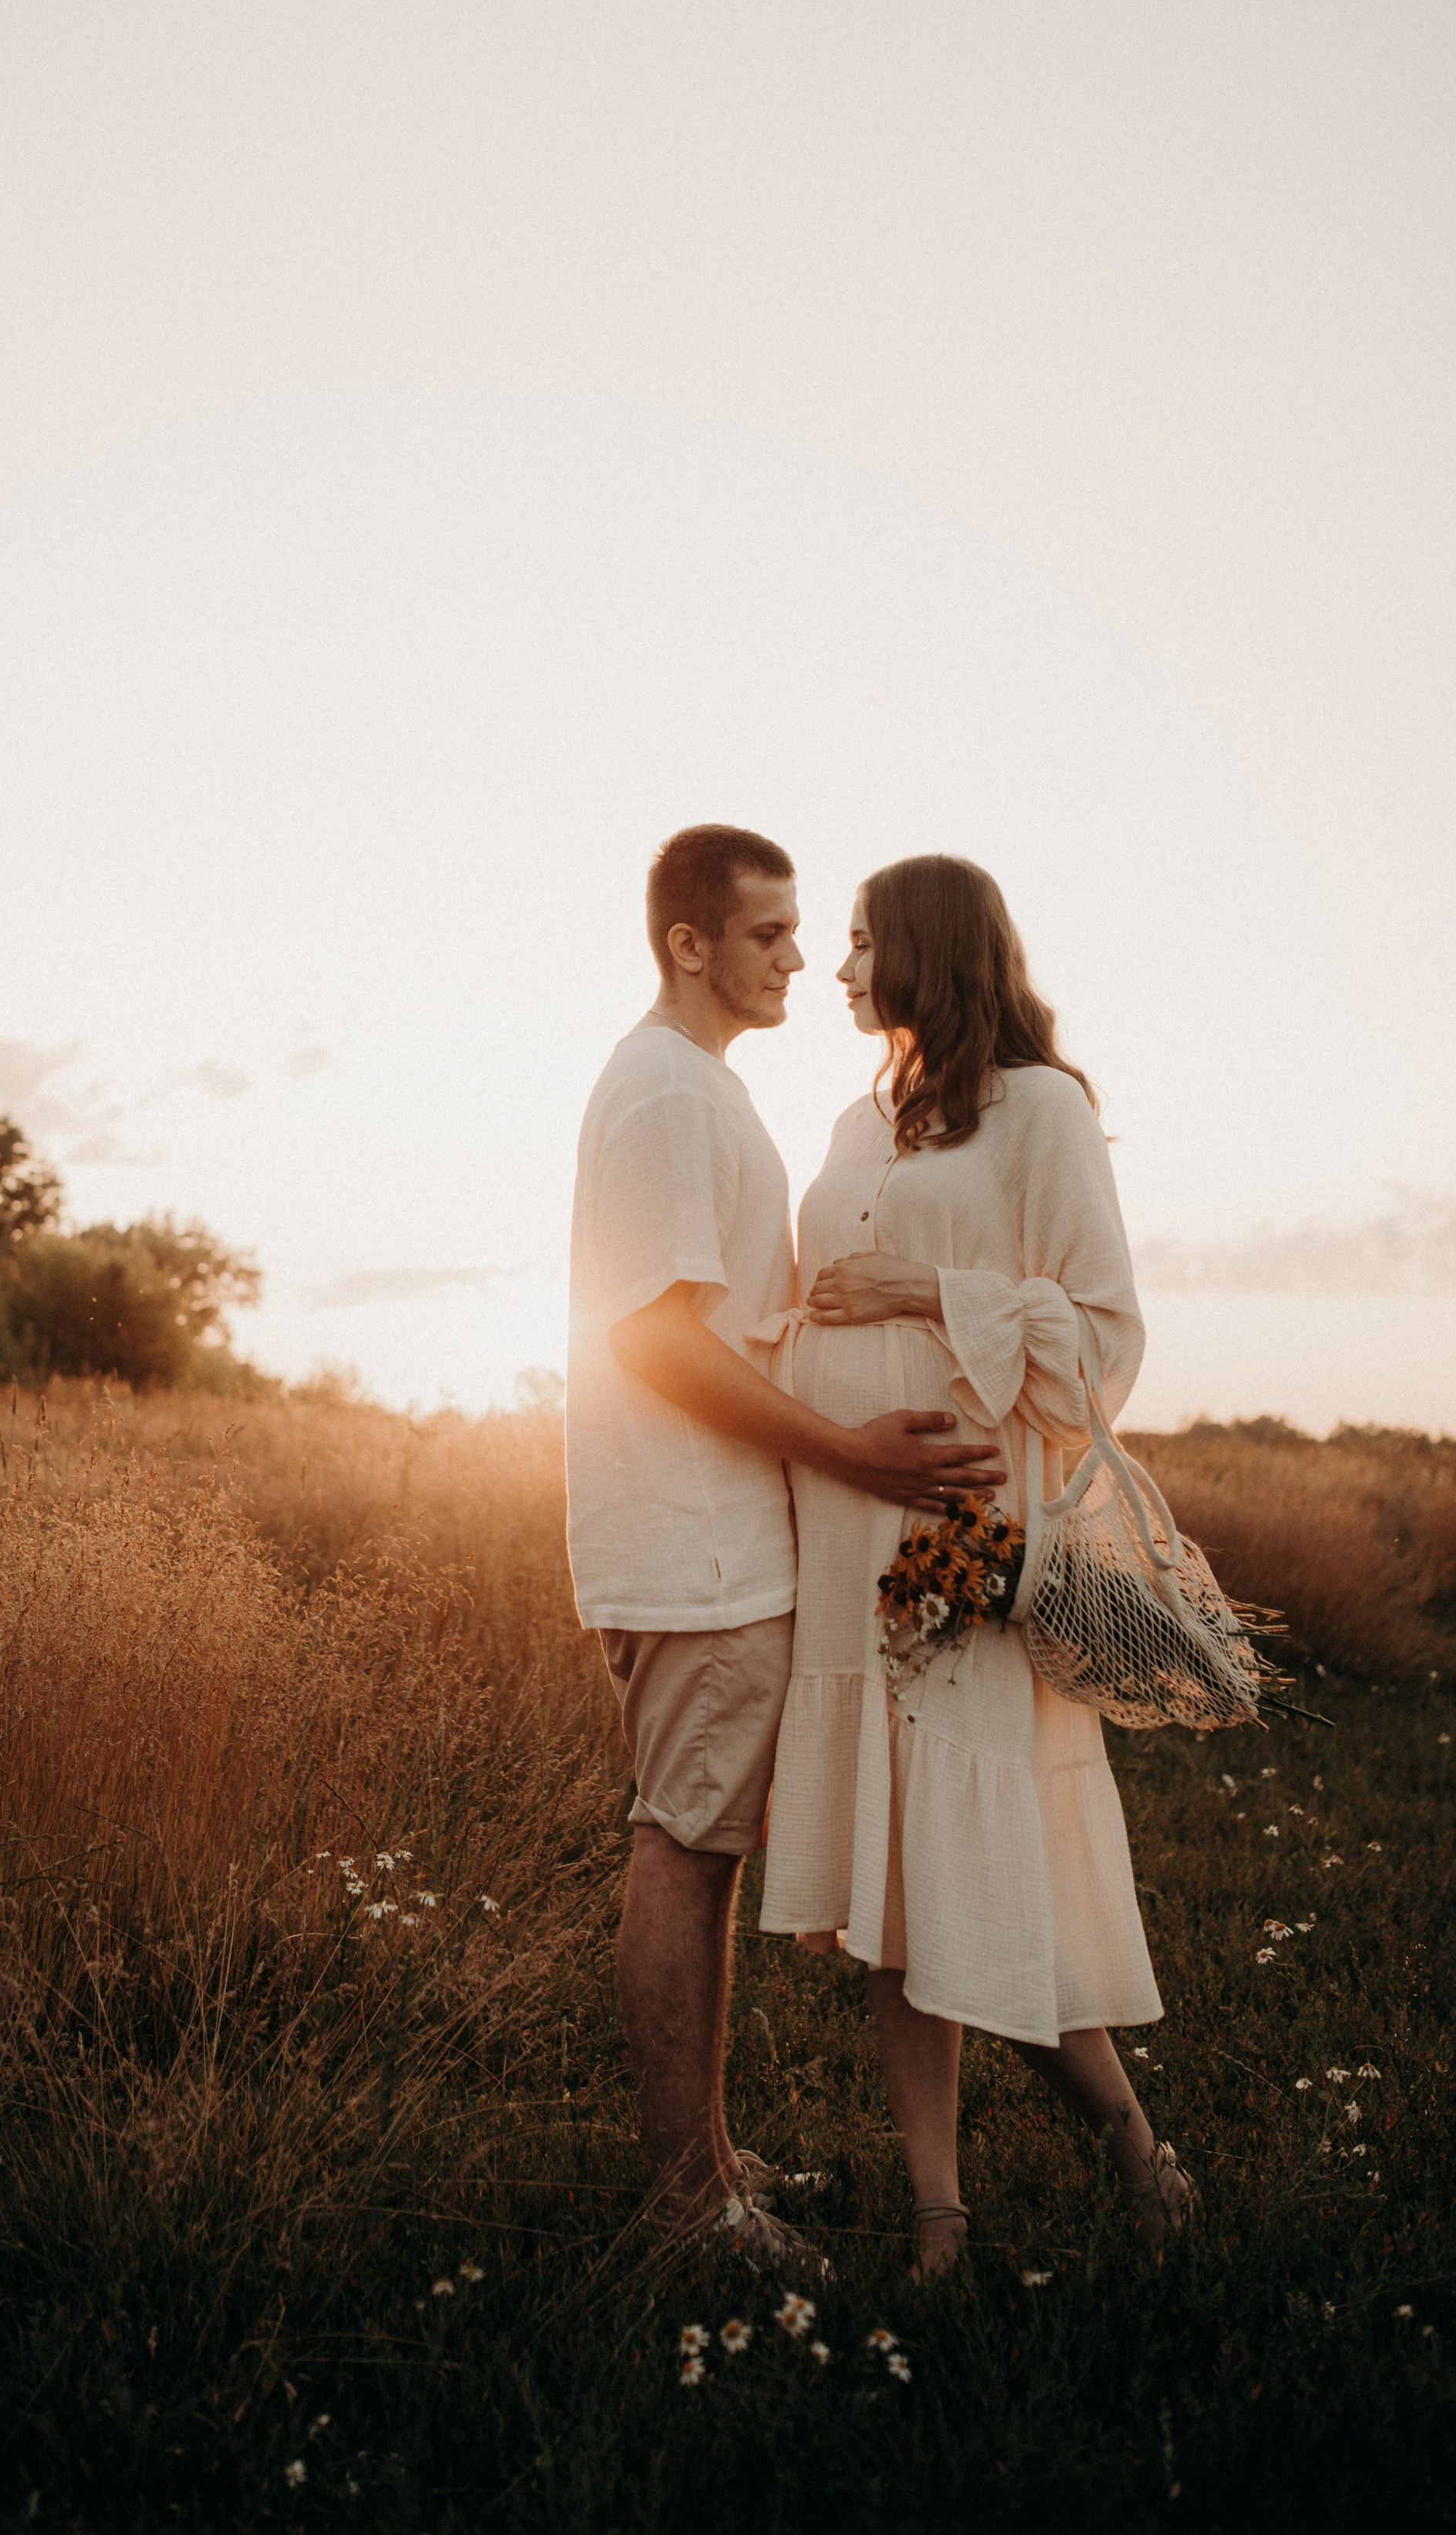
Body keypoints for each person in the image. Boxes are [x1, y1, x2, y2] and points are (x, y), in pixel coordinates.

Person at [564, 825, 1004, 2265]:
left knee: (708, 1839)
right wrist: (850, 1451)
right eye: (768, 936)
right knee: (685, 1849)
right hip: (694, 1536)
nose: (801, 959)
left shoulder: (700, 1093)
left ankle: (707, 2154)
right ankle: (689, 2209)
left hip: (727, 1533)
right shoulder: (671, 1098)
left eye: (803, 933)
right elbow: (654, 1339)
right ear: (691, 944)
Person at [757, 852, 1195, 2275]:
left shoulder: (1042, 1112)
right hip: (847, 1530)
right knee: (894, 1901)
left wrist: (928, 1291)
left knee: (986, 1874)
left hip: (968, 1536)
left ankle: (1137, 2152)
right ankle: (939, 2223)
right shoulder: (850, 1119)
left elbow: (1104, 1347)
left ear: (930, 952)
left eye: (863, 943)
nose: (836, 969)